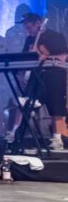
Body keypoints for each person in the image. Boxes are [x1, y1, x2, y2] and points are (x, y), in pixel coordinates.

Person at [8, 13, 68, 151]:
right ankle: (13, 133)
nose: (28, 31)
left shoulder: (55, 36)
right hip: (37, 75)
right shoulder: (30, 39)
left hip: (54, 76)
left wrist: (45, 57)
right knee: (24, 102)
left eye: (30, 28)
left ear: (38, 24)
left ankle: (57, 139)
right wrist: (21, 72)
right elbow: (25, 58)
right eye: (26, 28)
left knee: (55, 106)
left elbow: (64, 56)